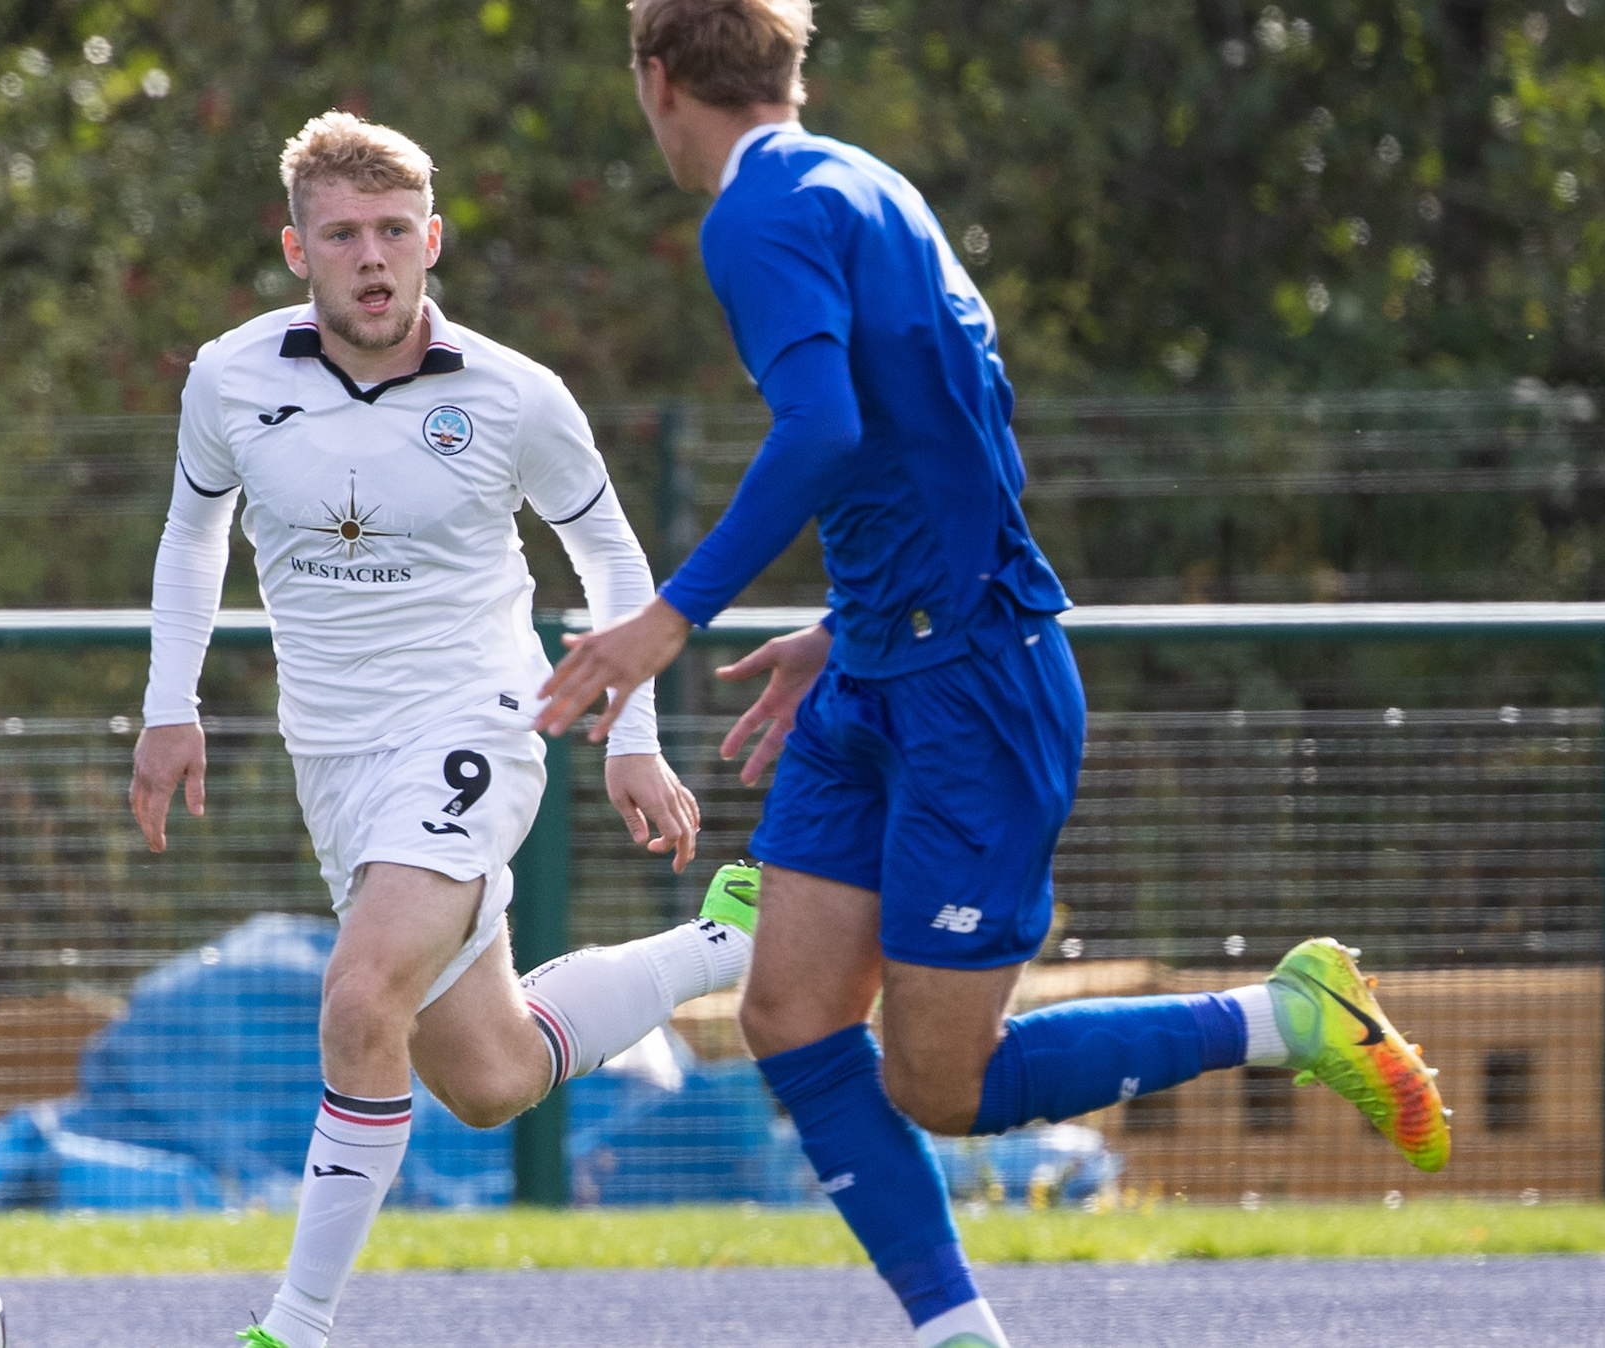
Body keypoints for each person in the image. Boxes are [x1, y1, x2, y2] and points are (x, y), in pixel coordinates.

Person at [536, 5, 1452, 1345]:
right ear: (790, 67)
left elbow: (823, 429)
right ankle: (956, 1331)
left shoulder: (753, 215)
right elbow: (956, 437)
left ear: (657, 81)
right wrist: (849, 626)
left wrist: (669, 619)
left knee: (942, 1084)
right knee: (790, 1013)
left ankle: (1285, 1015)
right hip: (882, 668)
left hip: (971, 687)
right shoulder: (873, 187)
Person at [128, 111, 762, 1348]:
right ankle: (720, 945)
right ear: (296, 249)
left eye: (391, 231)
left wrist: (630, 731)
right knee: (492, 1078)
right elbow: (192, 535)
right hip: (335, 762)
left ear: (433, 240)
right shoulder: (229, 378)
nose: (370, 256)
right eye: (340, 234)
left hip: (476, 722)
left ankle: (295, 1323)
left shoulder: (515, 395)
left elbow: (613, 560)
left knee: (360, 992)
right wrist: (170, 705)